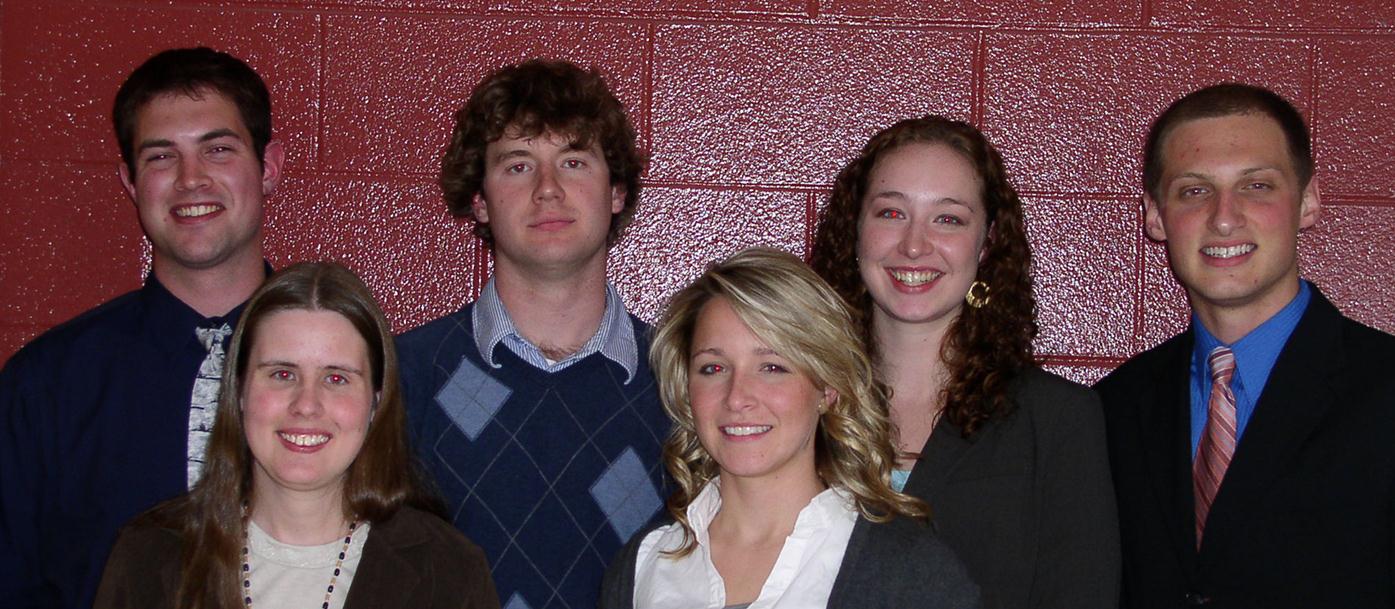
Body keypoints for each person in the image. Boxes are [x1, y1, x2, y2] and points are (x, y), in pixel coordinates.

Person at [0, 47, 284, 609]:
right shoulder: (45, 387)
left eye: (219, 150)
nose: (190, 179)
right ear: (130, 182)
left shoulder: (344, 376)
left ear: (268, 167)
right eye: (160, 158)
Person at [1096, 83, 1395, 608]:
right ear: (1155, 215)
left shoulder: (1385, 390)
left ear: (1307, 201)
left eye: (1257, 186)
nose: (1225, 216)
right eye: (1194, 190)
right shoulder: (1110, 408)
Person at [809, 116, 1120, 609]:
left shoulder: (1057, 420)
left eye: (948, 218)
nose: (914, 244)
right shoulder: (796, 403)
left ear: (987, 242)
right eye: (890, 213)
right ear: (855, 231)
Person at [397, 59, 667, 609]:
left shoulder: (681, 381)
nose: (548, 189)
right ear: (480, 200)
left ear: (616, 191)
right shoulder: (404, 375)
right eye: (518, 166)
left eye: (573, 161)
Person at [92, 262, 498, 609]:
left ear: (375, 404)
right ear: (239, 392)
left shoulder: (448, 571)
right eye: (282, 374)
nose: (307, 404)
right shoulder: (149, 557)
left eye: (336, 378)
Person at [600, 247, 980, 609]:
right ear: (686, 390)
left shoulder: (910, 571)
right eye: (713, 369)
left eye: (772, 368)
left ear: (828, 388)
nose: (737, 398)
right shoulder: (644, 565)